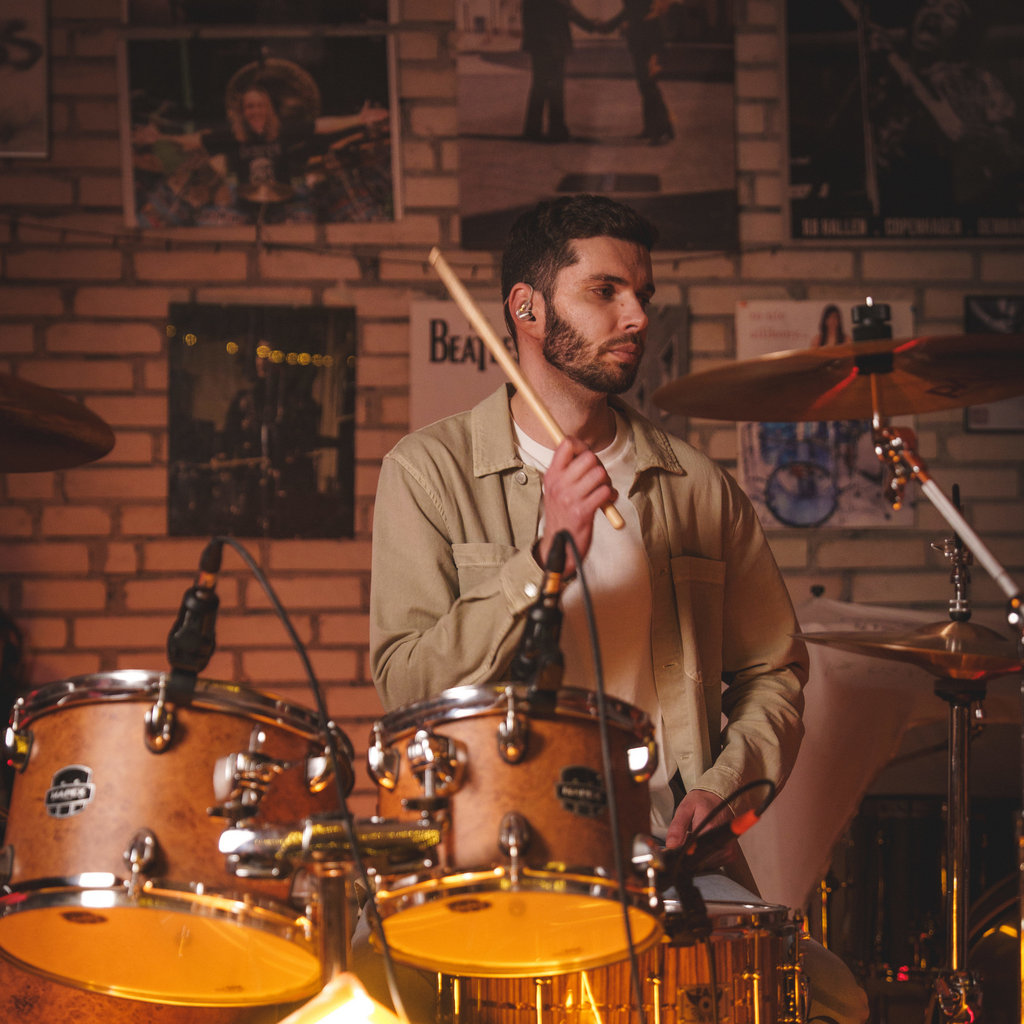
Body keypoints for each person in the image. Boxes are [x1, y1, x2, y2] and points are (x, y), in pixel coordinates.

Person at [368, 194, 868, 1023]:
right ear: (527, 309)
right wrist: (541, 556)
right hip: (485, 854)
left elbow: (773, 671)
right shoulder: (427, 471)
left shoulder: (696, 486)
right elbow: (405, 683)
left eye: (642, 294)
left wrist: (729, 786)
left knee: (832, 999)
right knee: (367, 982)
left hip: (661, 854)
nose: (636, 316)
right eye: (605, 291)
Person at [866, 0, 1022, 216]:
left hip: (963, 207)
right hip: (898, 205)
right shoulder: (885, 80)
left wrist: (978, 139)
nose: (935, 12)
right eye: (928, 4)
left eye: (951, 12)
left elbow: (1009, 154)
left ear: (963, 34)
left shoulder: (981, 83)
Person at [520, 0, 600, 142]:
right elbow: (566, 8)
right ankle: (556, 130)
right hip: (553, 41)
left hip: (538, 41)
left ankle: (532, 129)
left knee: (539, 85)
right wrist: (591, 25)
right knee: (555, 87)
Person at [600, 0, 675, 145]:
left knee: (649, 85)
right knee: (645, 85)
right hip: (641, 38)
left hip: (648, 38)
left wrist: (607, 26)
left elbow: (634, 10)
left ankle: (661, 130)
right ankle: (656, 127)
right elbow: (630, 10)